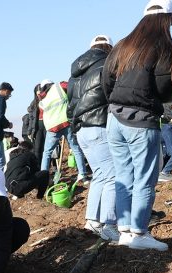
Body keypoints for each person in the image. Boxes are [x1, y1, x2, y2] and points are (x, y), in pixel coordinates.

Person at [103, 0, 172, 252]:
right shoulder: (165, 47)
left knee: (124, 176)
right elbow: (165, 87)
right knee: (144, 179)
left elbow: (107, 78)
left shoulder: (123, 44)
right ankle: (139, 232)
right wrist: (158, 100)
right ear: (167, 20)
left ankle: (124, 230)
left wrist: (115, 102)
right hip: (142, 120)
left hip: (114, 119)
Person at [68, 34, 119, 242]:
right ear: (108, 48)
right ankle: (109, 225)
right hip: (99, 125)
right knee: (113, 176)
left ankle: (92, 221)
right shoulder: (107, 65)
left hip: (81, 129)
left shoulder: (75, 74)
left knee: (99, 175)